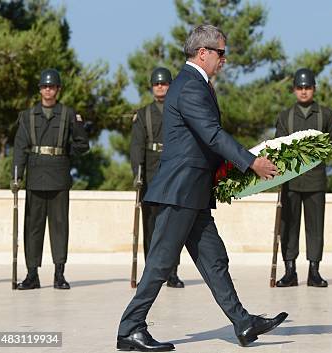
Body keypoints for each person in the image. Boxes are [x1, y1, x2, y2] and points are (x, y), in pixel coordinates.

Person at [116, 24, 287, 352]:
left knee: (213, 259)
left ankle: (243, 322)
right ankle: (130, 329)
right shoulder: (191, 85)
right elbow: (212, 134)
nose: (225, 59)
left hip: (194, 191)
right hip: (181, 190)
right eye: (221, 53)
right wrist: (250, 162)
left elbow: (206, 141)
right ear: (203, 52)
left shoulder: (196, 84)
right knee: (162, 262)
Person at [12, 68, 90, 290]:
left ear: (58, 89)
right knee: (33, 228)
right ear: (40, 90)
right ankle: (32, 274)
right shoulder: (27, 116)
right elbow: (19, 149)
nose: (48, 90)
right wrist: (16, 177)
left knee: (59, 226)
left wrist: (66, 151)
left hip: (58, 176)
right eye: (45, 86)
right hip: (35, 176)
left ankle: (59, 274)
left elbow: (82, 145)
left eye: (52, 86)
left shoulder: (67, 114)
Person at [273, 68, 332, 288]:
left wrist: (315, 153)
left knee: (315, 226)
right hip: (291, 180)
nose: (304, 92)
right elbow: (277, 149)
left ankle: (314, 270)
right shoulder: (286, 116)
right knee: (289, 226)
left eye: (308, 88)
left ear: (314, 89)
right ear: (294, 89)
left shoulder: (325, 114)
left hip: (315, 179)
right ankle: (289, 270)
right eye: (300, 88)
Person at [130, 67, 184, 288]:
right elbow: (136, 147)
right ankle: (151, 271)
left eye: (164, 83)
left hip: (174, 171)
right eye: (156, 84)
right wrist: (138, 174)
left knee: (173, 226)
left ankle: (172, 271)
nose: (160, 87)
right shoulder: (143, 115)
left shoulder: (180, 110)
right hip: (152, 174)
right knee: (151, 225)